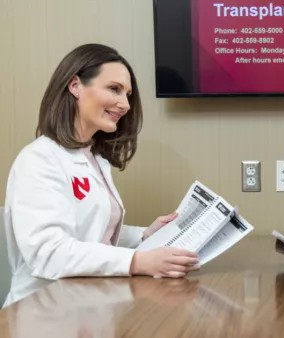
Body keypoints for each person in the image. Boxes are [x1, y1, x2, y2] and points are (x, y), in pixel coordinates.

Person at [3, 44, 200, 307]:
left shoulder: (94, 158)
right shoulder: (38, 159)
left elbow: (90, 231)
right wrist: (138, 261)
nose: (126, 105)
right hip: (42, 309)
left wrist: (144, 236)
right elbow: (47, 252)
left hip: (86, 301)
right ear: (75, 85)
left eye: (128, 94)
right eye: (114, 89)